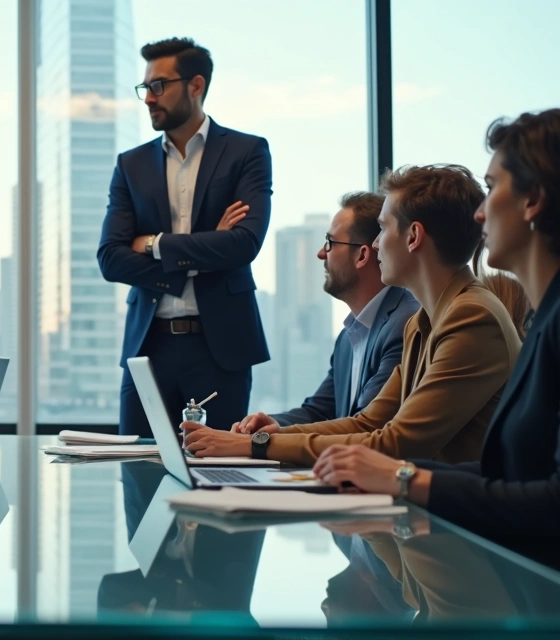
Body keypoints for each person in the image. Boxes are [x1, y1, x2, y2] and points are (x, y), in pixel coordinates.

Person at [312, 109, 560, 571]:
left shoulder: (478, 315)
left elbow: (549, 499)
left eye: (492, 188)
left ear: (534, 201)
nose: (481, 211)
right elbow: (503, 473)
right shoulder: (530, 320)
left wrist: (403, 477)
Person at [184, 164, 522, 467]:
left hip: (457, 528)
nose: (375, 246)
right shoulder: (425, 322)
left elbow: (396, 443)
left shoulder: (471, 317)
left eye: (383, 229)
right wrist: (258, 440)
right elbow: (367, 423)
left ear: (414, 237)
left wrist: (256, 446)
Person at [97, 37, 273, 437]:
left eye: (158, 86)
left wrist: (153, 244)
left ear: (196, 85)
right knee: (139, 479)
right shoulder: (132, 164)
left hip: (220, 349)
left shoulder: (247, 152)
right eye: (145, 88)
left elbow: (244, 243)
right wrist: (205, 249)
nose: (148, 99)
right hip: (149, 349)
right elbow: (110, 258)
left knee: (217, 477)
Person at [234, 192, 418, 433]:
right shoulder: (348, 337)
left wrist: (266, 441)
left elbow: (365, 428)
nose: (321, 253)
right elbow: (319, 412)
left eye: (330, 243)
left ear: (362, 255)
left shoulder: (404, 325)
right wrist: (268, 424)